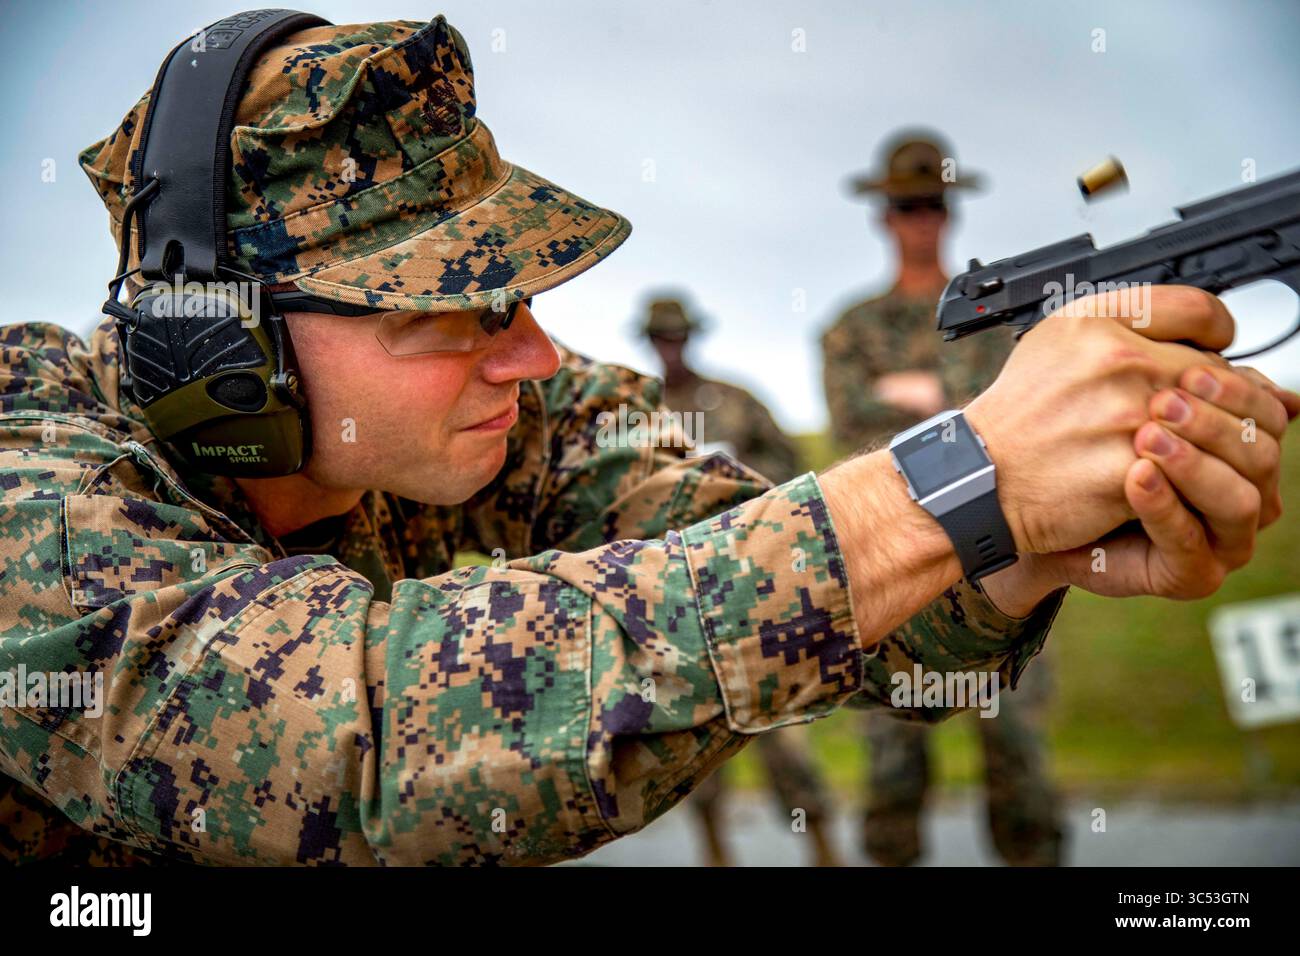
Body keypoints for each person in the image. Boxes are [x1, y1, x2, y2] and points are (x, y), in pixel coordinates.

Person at [0, 13, 1295, 867]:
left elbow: (795, 580)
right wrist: (944, 485)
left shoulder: (529, 420)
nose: (534, 355)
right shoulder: (32, 481)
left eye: (521, 298)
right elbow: (348, 743)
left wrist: (1023, 531)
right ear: (217, 342)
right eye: (452, 309)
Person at [822, 132, 1061, 865]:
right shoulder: (851, 329)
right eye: (904, 206)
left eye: (930, 204)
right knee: (893, 772)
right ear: (884, 217)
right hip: (892, 566)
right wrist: (963, 409)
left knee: (1018, 765)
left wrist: (920, 398)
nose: (918, 218)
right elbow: (854, 431)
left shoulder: (1001, 317)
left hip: (1003, 561)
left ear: (948, 213)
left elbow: (1027, 421)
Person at [641, 295, 837, 866]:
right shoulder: (637, 411)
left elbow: (794, 473)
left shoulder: (733, 401)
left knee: (786, 739)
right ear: (649, 341)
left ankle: (826, 852)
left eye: (677, 337)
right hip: (675, 600)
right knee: (694, 747)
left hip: (755, 595)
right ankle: (716, 855)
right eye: (660, 338)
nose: (670, 348)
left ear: (691, 338)